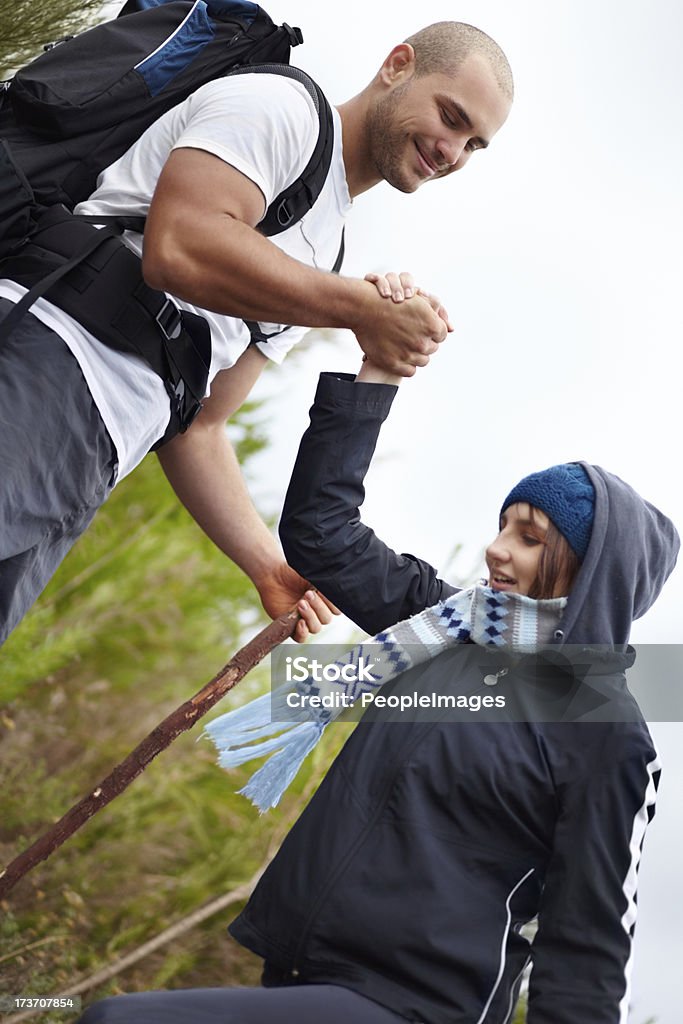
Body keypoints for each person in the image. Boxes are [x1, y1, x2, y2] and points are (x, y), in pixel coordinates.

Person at [76, 283, 679, 1023]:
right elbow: (322, 532)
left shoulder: (607, 733)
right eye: (501, 525)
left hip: (417, 1007)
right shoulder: (446, 627)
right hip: (302, 973)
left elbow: (587, 938)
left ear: (594, 572)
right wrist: (378, 371)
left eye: (529, 538)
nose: (494, 550)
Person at [0, 21, 513, 648]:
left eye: (474, 144)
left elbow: (202, 424)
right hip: (47, 358)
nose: (452, 151)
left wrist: (265, 565)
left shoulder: (325, 249)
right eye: (451, 116)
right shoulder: (284, 109)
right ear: (398, 66)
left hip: (91, 461)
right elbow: (178, 245)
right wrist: (360, 309)